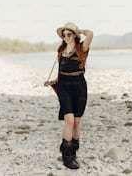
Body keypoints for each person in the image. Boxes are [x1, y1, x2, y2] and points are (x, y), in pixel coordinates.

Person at [44, 22, 93, 169]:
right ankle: (66, 156)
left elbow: (90, 34)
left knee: (77, 122)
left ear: (74, 35)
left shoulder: (81, 48)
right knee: (69, 120)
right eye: (63, 35)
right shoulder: (61, 50)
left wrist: (80, 31)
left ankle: (73, 153)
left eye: (69, 34)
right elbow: (60, 70)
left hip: (79, 86)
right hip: (64, 86)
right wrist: (54, 82)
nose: (66, 37)